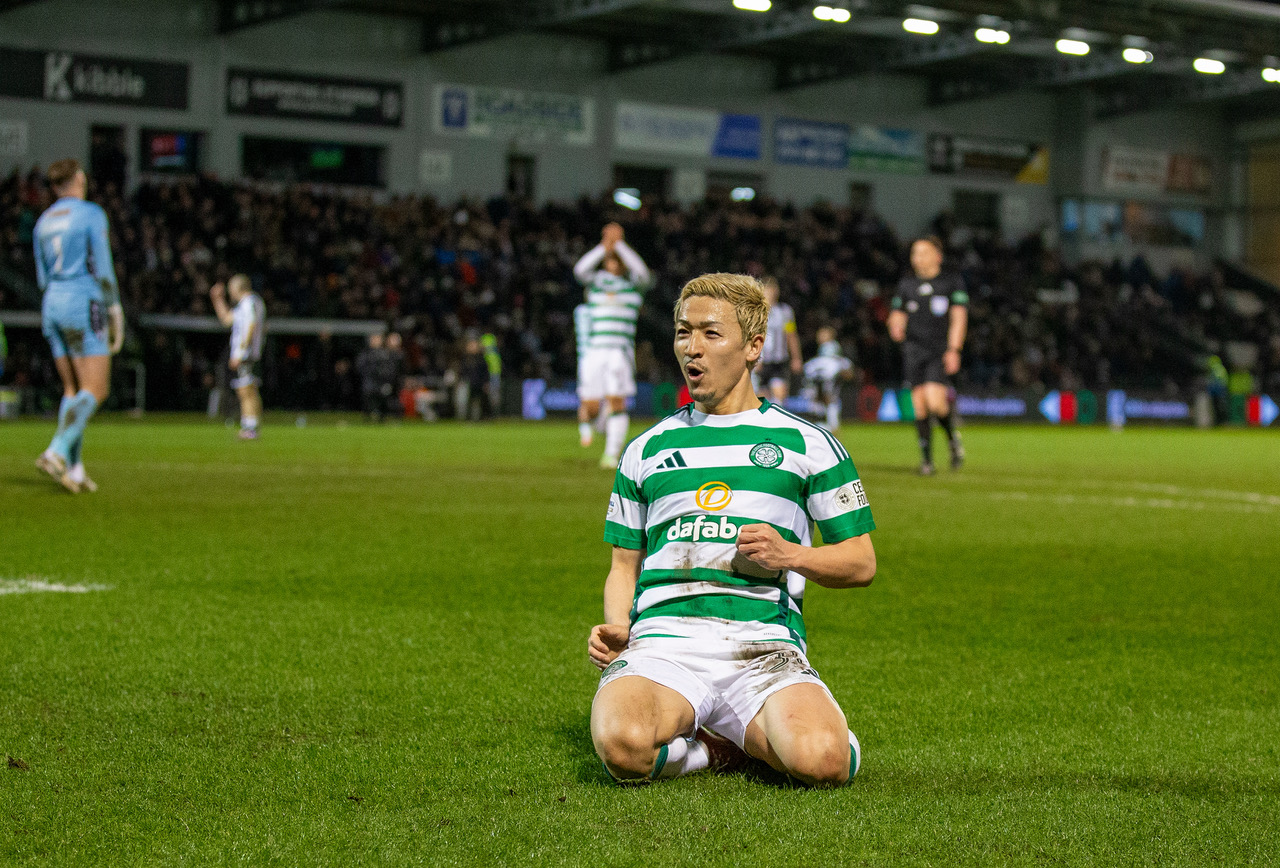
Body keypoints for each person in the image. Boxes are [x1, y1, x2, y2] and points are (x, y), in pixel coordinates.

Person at [588, 273, 877, 788]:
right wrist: (621, 629)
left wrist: (790, 555)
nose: (691, 349)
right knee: (622, 745)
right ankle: (715, 752)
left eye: (710, 334)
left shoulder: (807, 444)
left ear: (754, 347)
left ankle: (791, 731)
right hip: (663, 645)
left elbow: (861, 562)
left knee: (822, 763)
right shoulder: (646, 449)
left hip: (762, 647)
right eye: (683, 333)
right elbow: (622, 567)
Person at [33, 158, 124, 494]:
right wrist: (113, 306)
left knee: (73, 390)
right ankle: (57, 450)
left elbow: (42, 277)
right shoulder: (90, 214)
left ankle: (74, 469)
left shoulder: (43, 222)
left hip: (52, 304)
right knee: (97, 388)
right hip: (81, 301)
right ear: (80, 179)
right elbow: (101, 267)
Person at [887, 236, 968, 475]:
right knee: (919, 406)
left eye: (923, 252)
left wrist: (954, 350)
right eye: (914, 253)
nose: (917, 258)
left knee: (935, 402)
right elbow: (896, 314)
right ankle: (927, 462)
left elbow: (959, 318)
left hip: (938, 351)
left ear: (937, 256)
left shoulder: (951, 282)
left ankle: (952, 436)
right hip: (913, 351)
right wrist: (895, 326)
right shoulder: (906, 285)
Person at [574, 222, 651, 469]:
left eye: (617, 258)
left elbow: (644, 273)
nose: (613, 262)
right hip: (595, 351)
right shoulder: (597, 282)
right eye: (610, 258)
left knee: (617, 402)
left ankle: (611, 454)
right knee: (592, 407)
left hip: (619, 352)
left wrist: (619, 244)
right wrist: (603, 246)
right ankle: (601, 428)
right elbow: (579, 270)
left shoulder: (632, 285)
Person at [210, 274, 265, 439]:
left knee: (246, 391)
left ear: (237, 288)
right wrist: (217, 300)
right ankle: (251, 426)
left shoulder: (249, 303)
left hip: (247, 354)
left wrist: (241, 352)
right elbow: (227, 320)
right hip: (248, 353)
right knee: (247, 390)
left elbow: (251, 325)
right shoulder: (247, 304)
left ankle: (251, 427)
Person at [755, 277, 802, 403]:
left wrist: (796, 357)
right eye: (767, 290)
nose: (771, 293)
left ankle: (778, 419)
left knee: (780, 395)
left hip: (779, 360)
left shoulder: (785, 311)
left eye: (773, 290)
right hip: (761, 361)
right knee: (762, 399)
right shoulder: (756, 312)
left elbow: (791, 335)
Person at [803, 326, 854, 432]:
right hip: (819, 400)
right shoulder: (816, 363)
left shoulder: (832, 360)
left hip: (827, 400)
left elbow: (848, 373)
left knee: (828, 426)